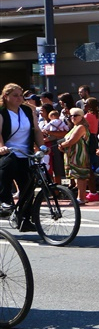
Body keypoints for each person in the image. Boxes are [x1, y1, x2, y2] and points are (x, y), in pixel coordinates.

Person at [0, 84, 45, 230]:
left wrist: (42, 147)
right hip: (7, 152)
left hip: (25, 153)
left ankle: (24, 218)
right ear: (6, 97)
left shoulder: (27, 110)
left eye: (21, 95)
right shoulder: (2, 112)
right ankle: (4, 200)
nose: (19, 98)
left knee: (28, 184)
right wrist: (1, 147)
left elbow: (36, 130)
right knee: (8, 166)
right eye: (15, 95)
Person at [58, 108, 91, 205]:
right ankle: (81, 197)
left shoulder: (81, 127)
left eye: (75, 115)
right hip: (72, 155)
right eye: (71, 116)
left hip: (79, 155)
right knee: (77, 177)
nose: (73, 117)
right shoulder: (74, 127)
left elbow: (72, 140)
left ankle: (81, 197)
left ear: (81, 116)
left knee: (80, 176)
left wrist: (62, 145)